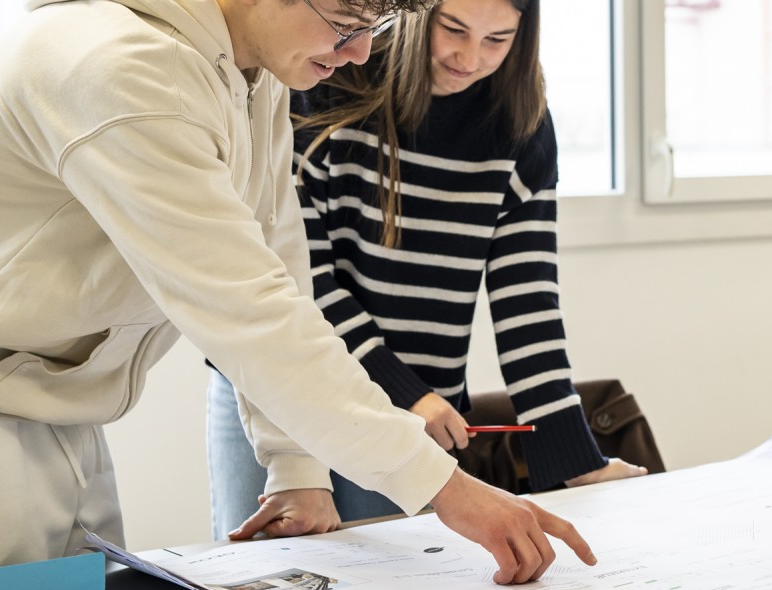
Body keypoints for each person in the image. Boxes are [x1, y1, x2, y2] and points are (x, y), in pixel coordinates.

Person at [0, 0, 593, 586]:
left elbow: (279, 266)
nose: (360, 52)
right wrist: (445, 488)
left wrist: (296, 465)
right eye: (346, 23)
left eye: (376, 26)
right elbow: (244, 311)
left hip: (52, 402)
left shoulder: (248, 73)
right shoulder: (123, 66)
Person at [204, 0, 644, 536]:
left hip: (415, 420)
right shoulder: (328, 76)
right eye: (453, 29)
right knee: (262, 574)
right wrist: (405, 391)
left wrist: (574, 459)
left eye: (497, 40)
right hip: (278, 390)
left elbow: (528, 304)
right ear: (417, 14)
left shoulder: (522, 126)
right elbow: (299, 272)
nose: (469, 58)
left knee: (392, 585)